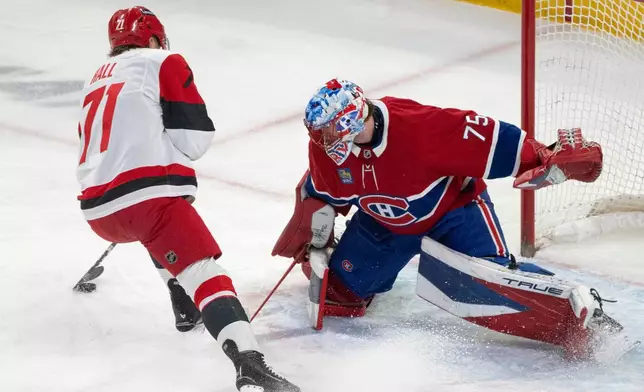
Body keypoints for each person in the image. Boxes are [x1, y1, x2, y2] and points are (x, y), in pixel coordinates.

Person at [272, 78, 625, 359]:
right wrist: (312, 235)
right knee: (340, 294)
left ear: (350, 120)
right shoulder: (327, 149)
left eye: (329, 131)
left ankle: (582, 310)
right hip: (383, 224)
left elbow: (494, 141)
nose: (322, 140)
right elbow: (322, 193)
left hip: (454, 212)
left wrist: (547, 156)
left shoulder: (422, 127)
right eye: (318, 133)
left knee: (489, 282)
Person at [75, 6, 300, 391]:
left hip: (96, 211)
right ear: (153, 39)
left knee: (157, 230)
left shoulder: (93, 80)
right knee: (205, 272)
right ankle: (249, 363)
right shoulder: (163, 60)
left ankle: (181, 302)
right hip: (147, 204)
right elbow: (195, 142)